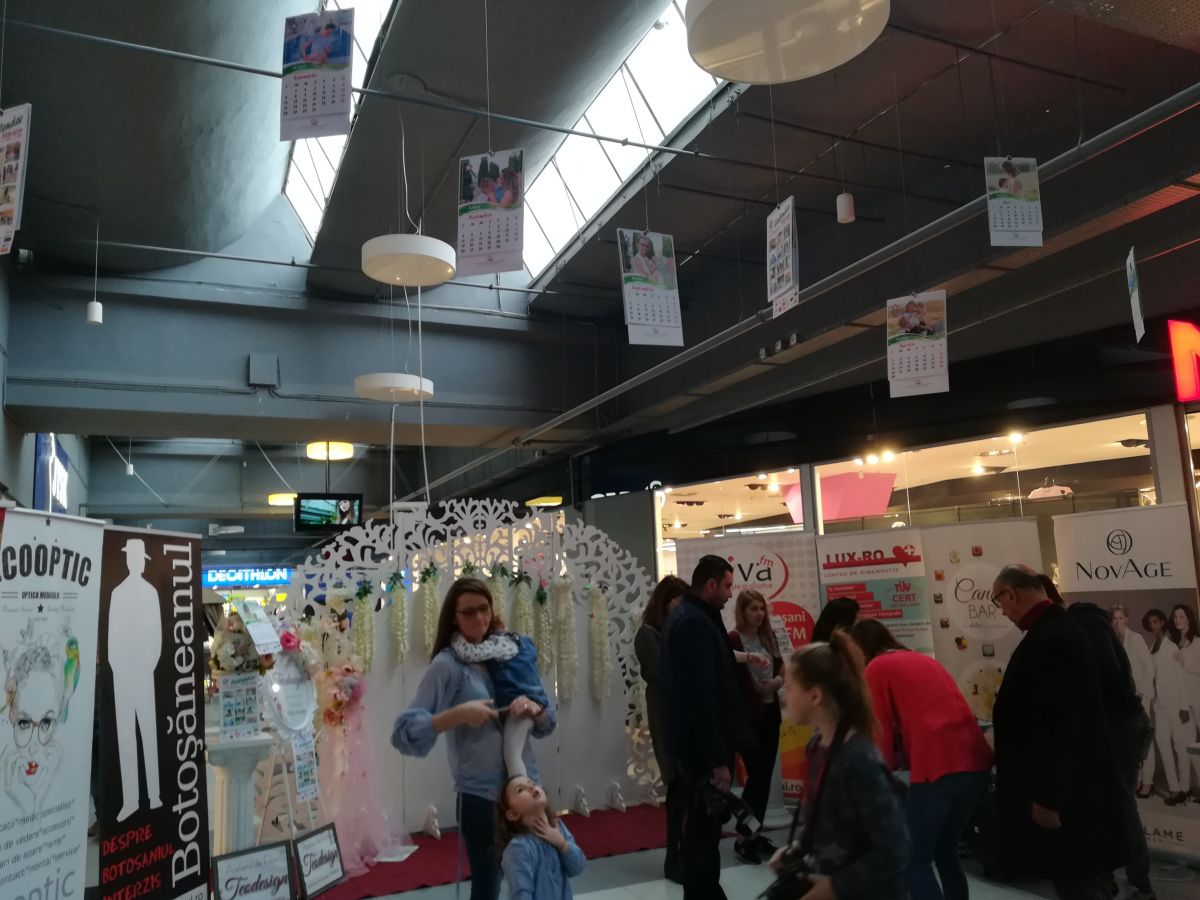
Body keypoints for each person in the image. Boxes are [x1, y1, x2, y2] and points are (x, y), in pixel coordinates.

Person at [393, 578, 556, 900]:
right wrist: (456, 715)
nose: (479, 618)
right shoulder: (447, 665)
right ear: (454, 618)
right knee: (487, 885)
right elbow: (404, 733)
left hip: (527, 788)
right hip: (482, 796)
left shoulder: (509, 651)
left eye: (484, 609)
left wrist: (535, 709)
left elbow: (547, 723)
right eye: (469, 612)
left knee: (540, 875)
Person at [989, 565, 1126, 900]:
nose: (1002, 612)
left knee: (1077, 880)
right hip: (1070, 787)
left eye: (998, 602)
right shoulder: (1053, 630)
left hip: (1068, 795)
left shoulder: (1052, 639)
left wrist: (1047, 798)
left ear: (1011, 594)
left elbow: (1058, 725)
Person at [851, 619, 991, 900]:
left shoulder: (876, 667)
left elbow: (879, 735)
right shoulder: (920, 659)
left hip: (937, 765)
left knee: (912, 860)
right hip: (975, 761)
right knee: (944, 851)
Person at [768, 632, 908, 900]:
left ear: (815, 696)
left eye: (790, 688)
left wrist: (834, 887)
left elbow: (894, 849)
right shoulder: (816, 746)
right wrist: (797, 848)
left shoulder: (859, 760)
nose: (785, 696)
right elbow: (822, 821)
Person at [1040, 576, 1154, 900]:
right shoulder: (1081, 624)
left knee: (1121, 803)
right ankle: (1117, 877)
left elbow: (1111, 679)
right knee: (1110, 802)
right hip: (1115, 725)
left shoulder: (1082, 624)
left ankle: (1138, 882)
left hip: (1118, 727)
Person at [661, 555, 756, 900]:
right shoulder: (695, 623)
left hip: (694, 745)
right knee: (704, 832)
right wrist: (717, 760)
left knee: (704, 832)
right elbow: (702, 697)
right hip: (702, 751)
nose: (731, 594)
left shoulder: (688, 617)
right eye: (728, 586)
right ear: (711, 585)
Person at [634, 575, 689, 883]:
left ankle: (684, 852)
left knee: (686, 788)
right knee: (677, 786)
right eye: (679, 601)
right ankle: (674, 857)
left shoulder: (678, 631)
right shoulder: (648, 634)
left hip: (685, 718)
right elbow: (663, 672)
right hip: (667, 717)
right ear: (666, 601)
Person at [727, 589, 784, 865]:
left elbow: (781, 666)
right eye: (753, 609)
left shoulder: (768, 636)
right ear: (742, 611)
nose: (759, 614)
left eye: (762, 609)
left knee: (765, 776)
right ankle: (743, 836)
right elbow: (732, 679)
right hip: (749, 717)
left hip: (770, 713)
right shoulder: (733, 639)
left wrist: (776, 683)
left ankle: (754, 832)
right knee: (757, 777)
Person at [109, 537, 162, 823]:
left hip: (140, 672)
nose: (136, 561)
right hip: (125, 673)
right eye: (133, 557)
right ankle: (132, 799)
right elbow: (112, 637)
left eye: (139, 557)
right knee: (127, 736)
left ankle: (153, 795)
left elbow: (157, 637)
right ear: (129, 560)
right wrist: (119, 667)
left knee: (146, 733)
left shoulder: (150, 593)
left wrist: (146, 665)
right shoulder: (117, 593)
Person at [497, 775, 586, 900]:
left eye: (532, 784)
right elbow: (521, 895)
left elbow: (578, 867)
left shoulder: (558, 827)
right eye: (520, 790)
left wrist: (562, 844)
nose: (531, 787)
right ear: (513, 814)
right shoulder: (518, 848)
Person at [1145, 608, 1194, 806]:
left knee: (1180, 748)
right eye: (1150, 623)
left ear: (1163, 623)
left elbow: (1180, 678)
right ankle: (1174, 787)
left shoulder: (1171, 646)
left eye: (1156, 622)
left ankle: (1184, 788)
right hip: (1159, 706)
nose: (1153, 626)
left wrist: (1184, 706)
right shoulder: (1151, 647)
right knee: (1164, 747)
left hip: (1175, 705)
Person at [1111, 604, 1157, 797]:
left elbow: (1149, 667)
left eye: (1121, 618)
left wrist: (1141, 691)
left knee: (1144, 739)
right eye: (1114, 619)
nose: (1118, 622)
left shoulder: (1135, 638)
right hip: (1125, 698)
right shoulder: (1113, 640)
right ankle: (1137, 778)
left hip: (1140, 696)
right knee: (1130, 740)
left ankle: (1148, 782)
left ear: (1127, 619)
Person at [1168, 603, 1200, 797]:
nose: (1178, 620)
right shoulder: (1173, 643)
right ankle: (1189, 787)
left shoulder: (1197, 642)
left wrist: (1184, 664)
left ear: (1189, 618)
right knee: (1187, 744)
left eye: (1181, 616)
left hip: (1198, 697)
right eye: (1175, 617)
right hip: (1182, 701)